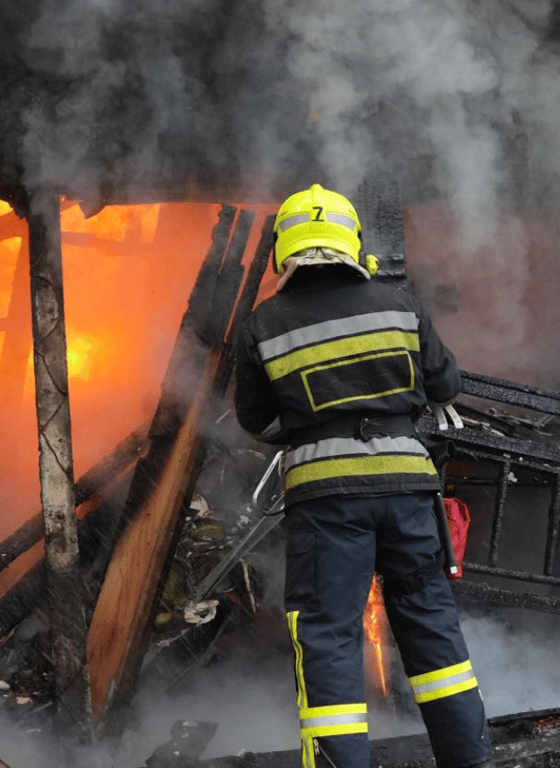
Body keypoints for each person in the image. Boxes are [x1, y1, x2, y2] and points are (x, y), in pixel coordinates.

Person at [232, 183, 494, 768]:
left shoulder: (263, 326)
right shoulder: (400, 304)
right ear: (352, 242)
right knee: (432, 628)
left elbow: (258, 420)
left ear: (285, 249)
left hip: (326, 501)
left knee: (328, 637)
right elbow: (446, 386)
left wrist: (314, 426)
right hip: (407, 488)